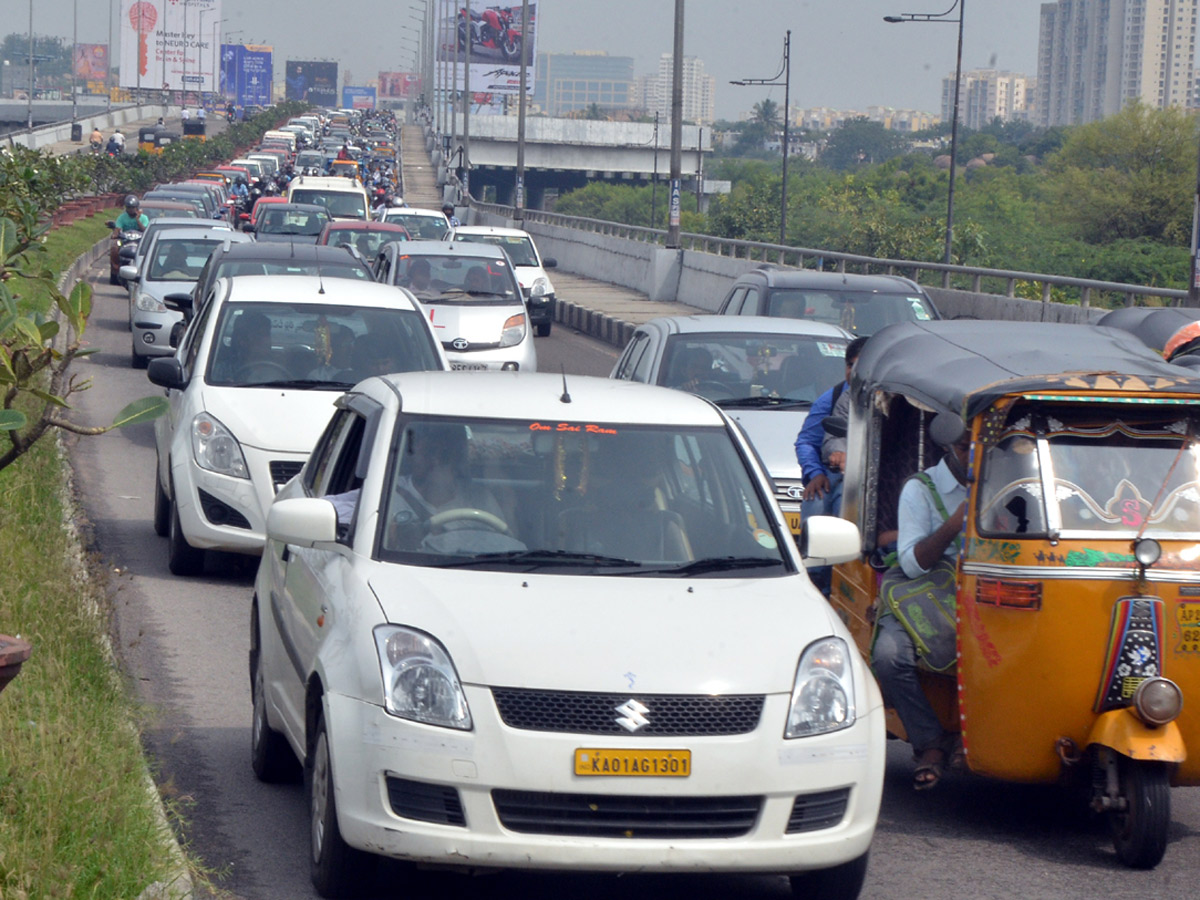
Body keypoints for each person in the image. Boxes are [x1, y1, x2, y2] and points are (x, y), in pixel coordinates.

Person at [871, 412, 970, 791]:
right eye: (964, 446)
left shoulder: (1006, 484)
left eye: (980, 447)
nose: (973, 454)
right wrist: (953, 525)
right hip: (923, 594)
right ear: (949, 446)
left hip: (978, 594)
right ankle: (931, 743)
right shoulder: (922, 488)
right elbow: (911, 564)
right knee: (888, 655)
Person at [386, 422, 508, 553]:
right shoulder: (386, 494)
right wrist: (392, 542)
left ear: (455, 460)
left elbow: (504, 546)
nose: (434, 461)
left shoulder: (480, 499)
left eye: (442, 455)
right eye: (426, 452)